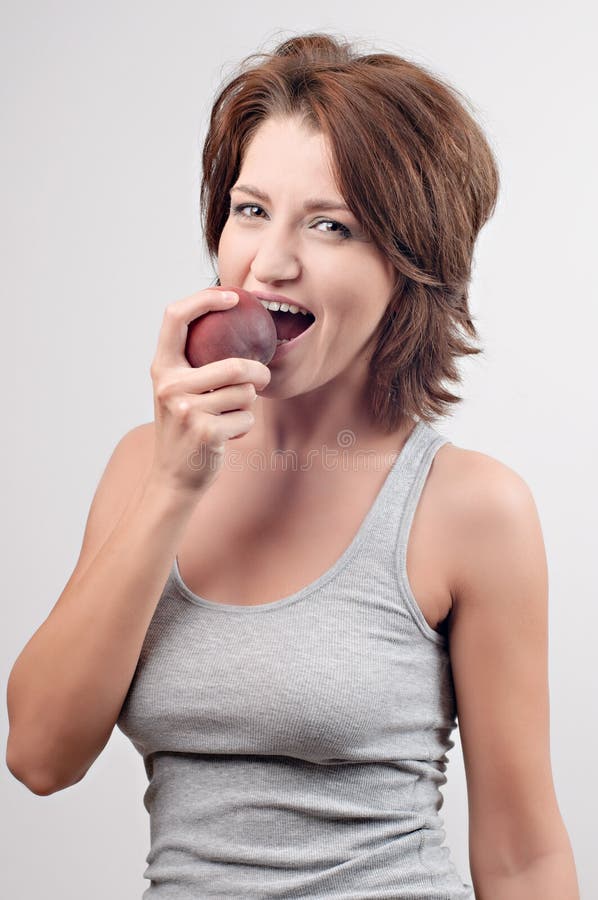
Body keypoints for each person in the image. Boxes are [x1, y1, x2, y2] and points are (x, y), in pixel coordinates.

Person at [6, 31, 579, 900]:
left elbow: (523, 857)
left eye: (330, 225)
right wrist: (172, 483)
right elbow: (40, 755)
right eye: (249, 209)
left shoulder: (470, 509)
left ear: (410, 264)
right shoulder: (143, 466)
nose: (270, 262)